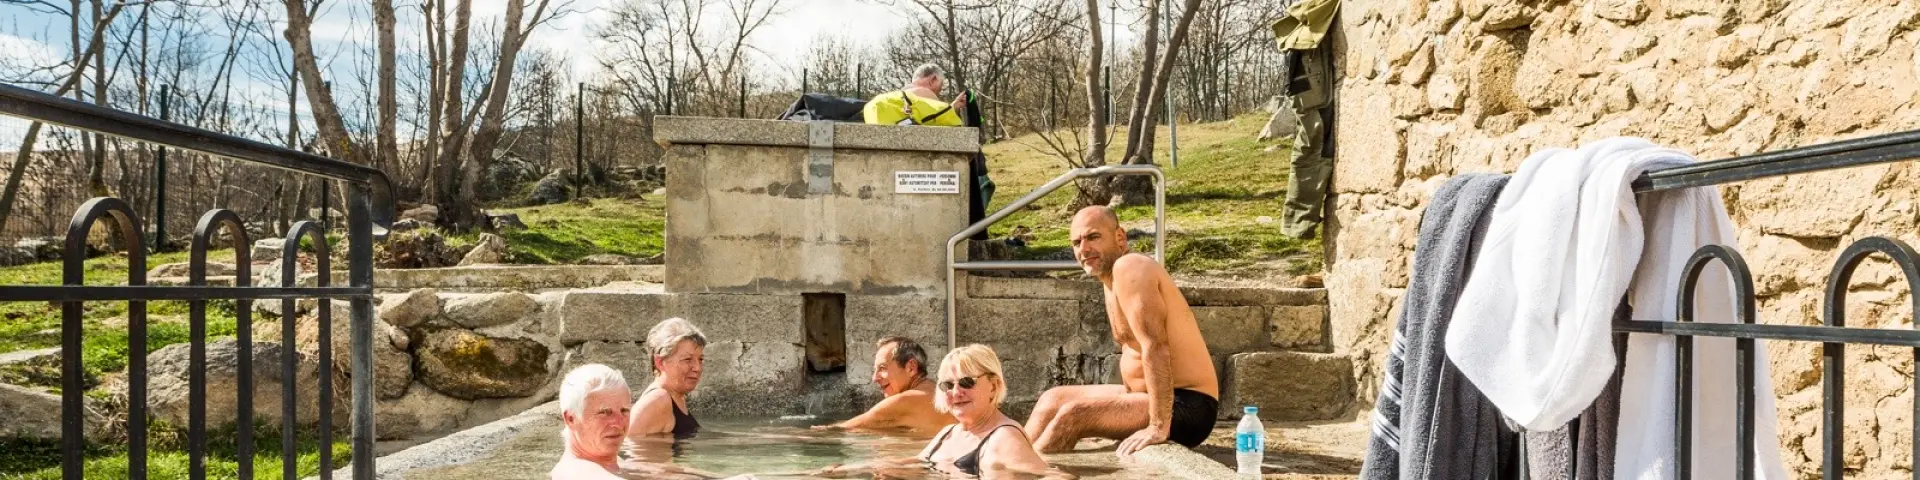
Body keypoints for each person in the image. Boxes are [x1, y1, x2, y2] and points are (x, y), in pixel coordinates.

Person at [1024, 206, 1221, 458]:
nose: (1083, 250)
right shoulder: (1109, 279)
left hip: (1187, 405)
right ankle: (1006, 460)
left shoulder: (1130, 267)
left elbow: (1156, 346)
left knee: (1074, 414)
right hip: (1143, 397)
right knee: (1053, 399)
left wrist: (1157, 426)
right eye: (1076, 242)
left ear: (1119, 238)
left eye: (1093, 237)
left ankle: (1029, 472)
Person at [1274, 0, 1341, 239]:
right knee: (1314, 141)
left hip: (1305, 55)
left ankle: (1298, 223)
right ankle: (1298, 223)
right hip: (1308, 58)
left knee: (1313, 141)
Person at [821, 336, 948, 435]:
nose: (875, 378)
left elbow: (838, 430)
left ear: (911, 367)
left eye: (882, 368)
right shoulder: (935, 391)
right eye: (875, 370)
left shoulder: (907, 400)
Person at [629, 317, 707, 439]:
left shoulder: (676, 396)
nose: (697, 367)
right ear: (660, 362)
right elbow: (628, 443)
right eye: (687, 359)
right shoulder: (658, 400)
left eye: (700, 359)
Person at [552, 364, 632, 480]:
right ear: (571, 419)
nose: (619, 424)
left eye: (624, 410)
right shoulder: (576, 473)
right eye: (605, 412)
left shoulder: (611, 463)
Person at [862, 63, 968, 126]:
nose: (938, 94)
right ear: (933, 80)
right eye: (939, 88)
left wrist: (953, 106)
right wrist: (951, 109)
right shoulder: (923, 92)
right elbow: (937, 119)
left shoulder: (895, 97)